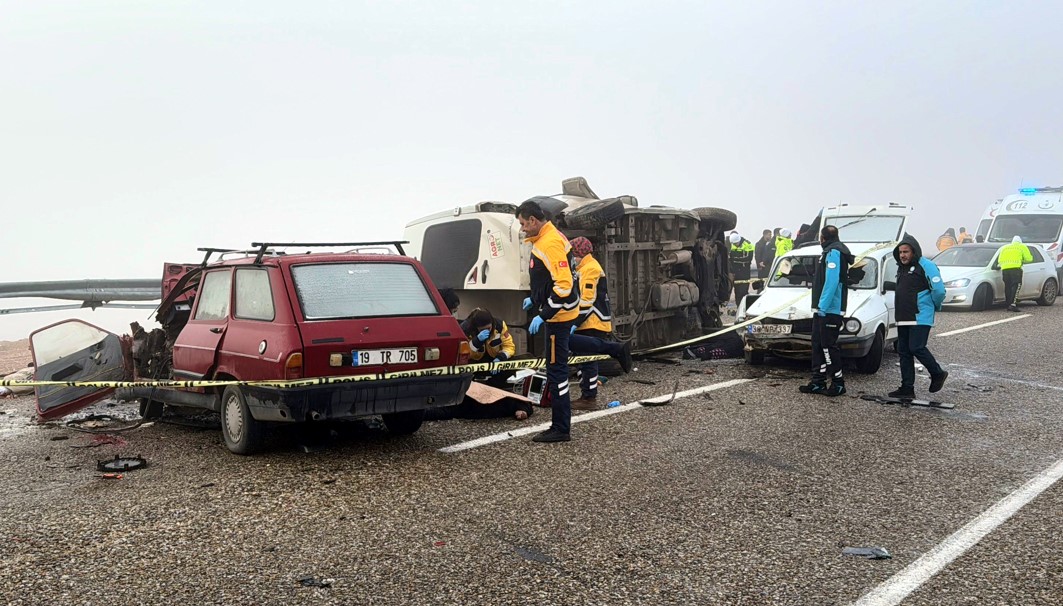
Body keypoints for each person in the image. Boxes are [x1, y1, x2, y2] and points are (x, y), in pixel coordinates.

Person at [516, 199, 579, 443]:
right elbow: (549, 279)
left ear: (533, 220)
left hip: (559, 317)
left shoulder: (549, 242)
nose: (522, 228)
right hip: (559, 313)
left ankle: (560, 428)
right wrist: (535, 298)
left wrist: (544, 314)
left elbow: (564, 285)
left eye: (523, 223)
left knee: (557, 373)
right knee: (558, 367)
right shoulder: (548, 237)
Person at [566, 237, 633, 410]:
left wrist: (574, 322)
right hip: (589, 321)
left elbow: (587, 300)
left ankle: (588, 398)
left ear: (579, 253)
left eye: (573, 255)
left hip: (591, 321)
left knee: (587, 360)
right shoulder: (584, 268)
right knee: (584, 360)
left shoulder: (590, 269)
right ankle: (588, 394)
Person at [889, 235, 947, 399]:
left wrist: (934, 306)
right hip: (903, 316)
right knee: (904, 351)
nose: (903, 255)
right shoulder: (901, 268)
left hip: (920, 315)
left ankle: (937, 373)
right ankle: (907, 388)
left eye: (906, 252)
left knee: (917, 347)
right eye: (900, 252)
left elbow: (939, 290)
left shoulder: (926, 265)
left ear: (914, 251)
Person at [799, 225, 853, 397]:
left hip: (830, 310)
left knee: (828, 346)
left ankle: (838, 383)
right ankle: (818, 381)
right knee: (817, 344)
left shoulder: (834, 253)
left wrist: (823, 305)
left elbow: (832, 281)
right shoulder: (828, 252)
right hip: (821, 309)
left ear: (822, 238)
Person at [460, 307, 516, 385]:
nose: (487, 331)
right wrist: (476, 342)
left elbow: (509, 346)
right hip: (475, 361)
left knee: (510, 364)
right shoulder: (466, 329)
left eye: (489, 328)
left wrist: (500, 358)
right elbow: (464, 354)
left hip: (494, 359)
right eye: (483, 329)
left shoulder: (499, 326)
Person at [999, 235, 1033, 311]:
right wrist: (1022, 261)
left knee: (1007, 286)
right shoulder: (1022, 246)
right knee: (1016, 285)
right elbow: (1029, 259)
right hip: (1015, 269)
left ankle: (1008, 303)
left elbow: (999, 260)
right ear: (1020, 241)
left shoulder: (1005, 247)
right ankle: (1013, 304)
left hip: (1005, 269)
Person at [729, 232, 755, 304]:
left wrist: (734, 259)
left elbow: (748, 259)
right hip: (735, 272)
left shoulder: (748, 245)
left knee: (743, 291)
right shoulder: (732, 244)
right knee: (737, 291)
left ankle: (744, 306)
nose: (734, 245)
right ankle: (738, 305)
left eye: (735, 243)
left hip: (744, 271)